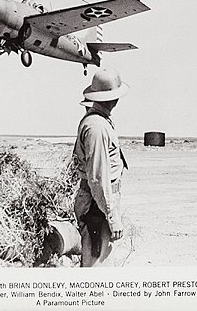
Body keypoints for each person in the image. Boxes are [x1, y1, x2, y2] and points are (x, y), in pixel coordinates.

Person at [73, 68, 129, 267]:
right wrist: (112, 216)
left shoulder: (99, 122)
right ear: (114, 99)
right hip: (97, 206)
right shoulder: (97, 127)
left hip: (98, 203)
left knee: (97, 260)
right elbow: (98, 177)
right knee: (95, 266)